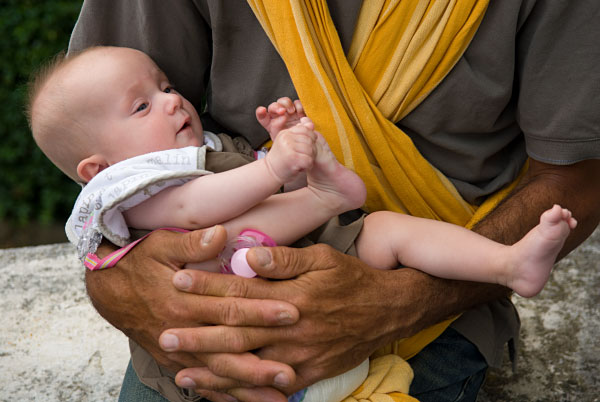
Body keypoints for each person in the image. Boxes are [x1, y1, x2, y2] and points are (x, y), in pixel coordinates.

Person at [65, 1, 600, 402]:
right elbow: (91, 123)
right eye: (146, 103)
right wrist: (122, 286)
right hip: (216, 311)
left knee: (389, 230)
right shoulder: (135, 184)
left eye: (165, 88)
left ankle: (507, 263)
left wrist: (398, 301)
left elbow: (578, 171)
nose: (173, 98)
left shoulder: (213, 152)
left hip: (428, 301)